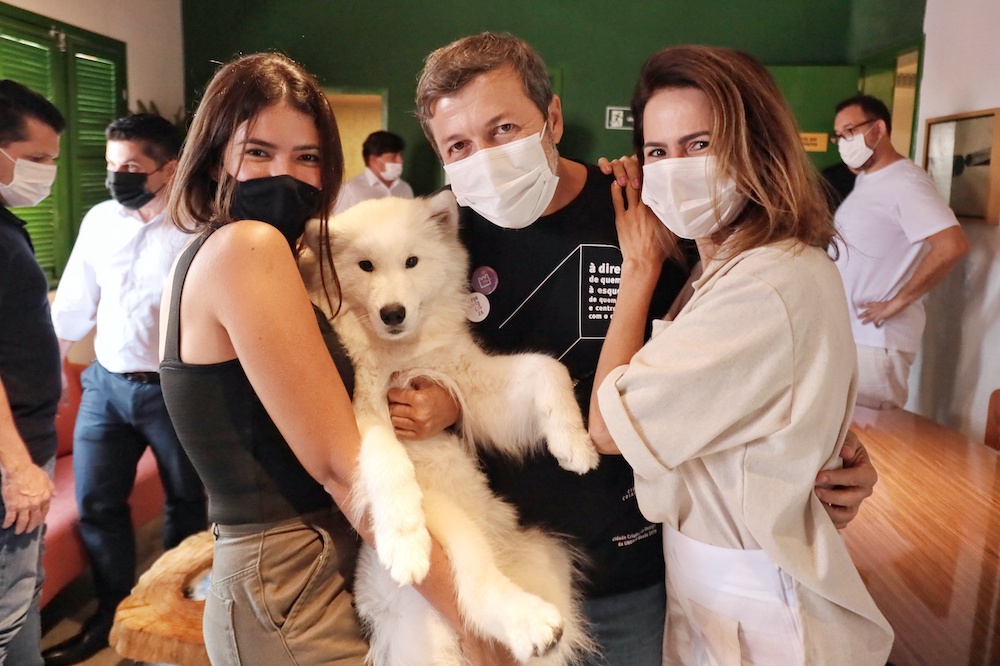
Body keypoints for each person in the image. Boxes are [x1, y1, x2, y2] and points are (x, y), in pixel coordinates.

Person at [410, 32, 879, 664]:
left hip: (631, 571)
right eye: (459, 145)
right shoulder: (431, 242)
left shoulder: (644, 208)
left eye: (503, 128)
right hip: (497, 569)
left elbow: (740, 359)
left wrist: (821, 454)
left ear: (551, 119)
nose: (485, 157)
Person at [158, 51, 513, 665]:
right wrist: (479, 627)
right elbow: (344, 469)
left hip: (302, 562)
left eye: (308, 157)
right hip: (289, 575)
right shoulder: (249, 247)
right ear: (218, 153)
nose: (285, 174)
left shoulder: (216, 250)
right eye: (259, 151)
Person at [590, 45, 894, 664]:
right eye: (658, 151)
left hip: (752, 600)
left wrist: (639, 268)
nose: (676, 168)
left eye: (700, 144)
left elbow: (607, 426)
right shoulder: (730, 265)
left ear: (755, 145)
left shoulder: (763, 279)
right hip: (712, 582)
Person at [43, 114, 207, 666]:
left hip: (174, 392)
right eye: (112, 166)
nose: (118, 178)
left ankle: (168, 617)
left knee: (187, 504)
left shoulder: (199, 229)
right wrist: (52, 372)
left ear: (170, 167)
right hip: (105, 389)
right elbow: (72, 304)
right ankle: (111, 613)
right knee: (95, 502)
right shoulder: (98, 222)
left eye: (131, 167)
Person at [830, 94, 969, 410]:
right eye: (839, 135)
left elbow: (952, 245)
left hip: (877, 342)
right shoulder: (868, 179)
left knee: (876, 442)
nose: (843, 141)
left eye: (850, 131)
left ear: (878, 129)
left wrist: (898, 302)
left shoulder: (906, 182)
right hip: (852, 336)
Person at [0, 79, 64, 666]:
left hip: (26, 446)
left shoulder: (6, 223)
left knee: (22, 597)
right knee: (7, 605)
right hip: (9, 458)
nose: (46, 174)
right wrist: (18, 466)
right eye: (37, 160)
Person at [332, 130, 413, 213]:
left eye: (400, 156)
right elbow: (338, 224)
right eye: (393, 157)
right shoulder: (349, 190)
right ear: (373, 160)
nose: (400, 161)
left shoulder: (405, 188)